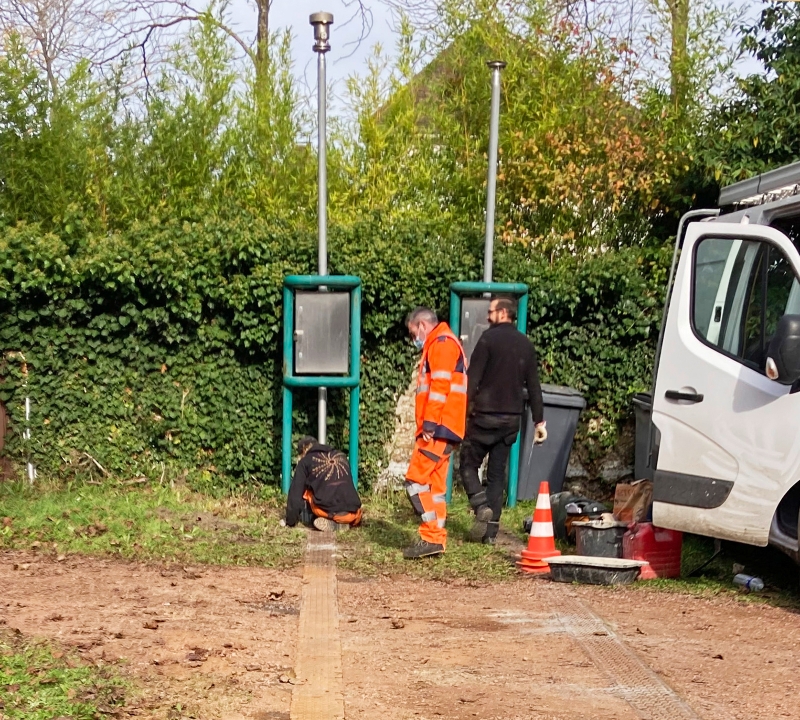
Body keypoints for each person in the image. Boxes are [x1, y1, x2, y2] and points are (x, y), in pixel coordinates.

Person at [460, 296, 547, 544]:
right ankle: (490, 533)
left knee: (467, 464)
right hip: (510, 421)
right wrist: (539, 422)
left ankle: (480, 505)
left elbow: (472, 380)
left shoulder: (488, 340)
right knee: (497, 474)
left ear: (502, 313)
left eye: (490, 312)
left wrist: (463, 412)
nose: (487, 316)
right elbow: (534, 387)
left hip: (484, 418)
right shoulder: (525, 345)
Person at [403, 307, 468, 559]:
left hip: (438, 427)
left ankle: (431, 536)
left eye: (413, 333)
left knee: (415, 481)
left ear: (421, 325)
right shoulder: (446, 342)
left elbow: (439, 388)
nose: (414, 339)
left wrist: (429, 425)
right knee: (435, 487)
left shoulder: (440, 344)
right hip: (447, 428)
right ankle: (436, 537)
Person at [285, 436, 363, 532]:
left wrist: (290, 522)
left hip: (328, 512)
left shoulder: (305, 461)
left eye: (300, 454)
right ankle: (344, 524)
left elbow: (295, 495)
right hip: (353, 512)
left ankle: (329, 520)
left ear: (305, 449)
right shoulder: (341, 455)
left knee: (307, 492)